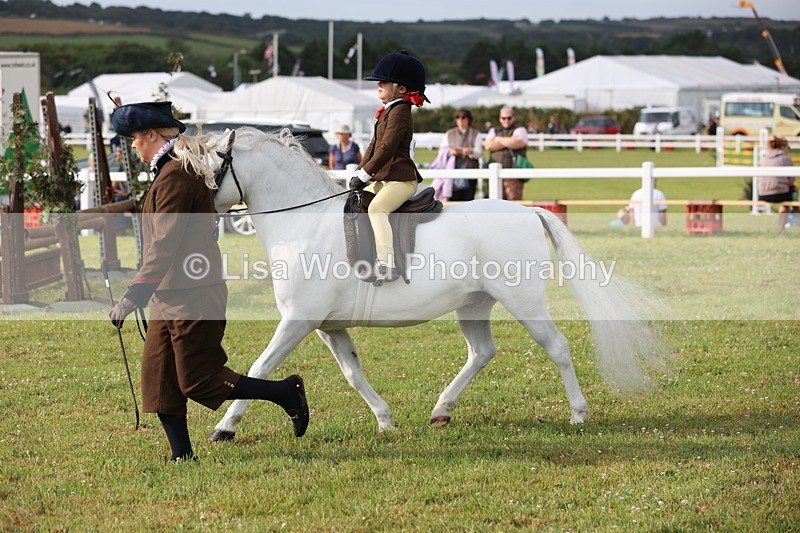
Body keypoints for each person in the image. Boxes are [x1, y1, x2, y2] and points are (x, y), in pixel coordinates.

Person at [107, 101, 309, 462]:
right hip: (170, 293)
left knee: (199, 380)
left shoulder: (176, 177)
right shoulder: (170, 170)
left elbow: (164, 244)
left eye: (135, 138)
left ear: (151, 135)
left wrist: (133, 296)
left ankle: (285, 392)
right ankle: (182, 457)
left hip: (194, 294)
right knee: (159, 379)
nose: (133, 145)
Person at [349, 50, 428, 285]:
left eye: (384, 82)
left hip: (401, 180)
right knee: (354, 202)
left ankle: (387, 263)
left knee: (377, 209)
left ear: (401, 89)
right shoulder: (388, 110)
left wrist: (365, 174)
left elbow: (386, 148)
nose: (379, 85)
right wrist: (358, 172)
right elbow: (373, 146)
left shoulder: (400, 111)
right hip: (385, 179)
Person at [431, 108, 482, 202]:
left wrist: (470, 151)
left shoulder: (476, 134)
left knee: (468, 201)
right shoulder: (449, 133)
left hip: (470, 171)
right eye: (458, 117)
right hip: (452, 173)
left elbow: (479, 153)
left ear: (468, 119)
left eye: (463, 117)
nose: (460, 120)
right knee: (453, 201)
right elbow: (442, 150)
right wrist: (451, 152)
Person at [483, 106, 528, 201]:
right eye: (503, 118)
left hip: (514, 175)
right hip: (494, 175)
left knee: (514, 204)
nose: (506, 120)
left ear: (513, 118)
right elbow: (488, 145)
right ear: (500, 118)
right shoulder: (493, 130)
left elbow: (518, 143)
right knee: (495, 204)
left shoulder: (520, 130)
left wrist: (498, 139)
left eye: (509, 118)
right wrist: (509, 141)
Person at [757, 136, 795, 233]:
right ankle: (781, 228)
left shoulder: (765, 158)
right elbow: (791, 179)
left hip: (762, 194)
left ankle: (783, 227)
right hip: (780, 194)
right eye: (788, 147)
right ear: (782, 147)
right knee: (790, 199)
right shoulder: (785, 158)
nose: (788, 149)